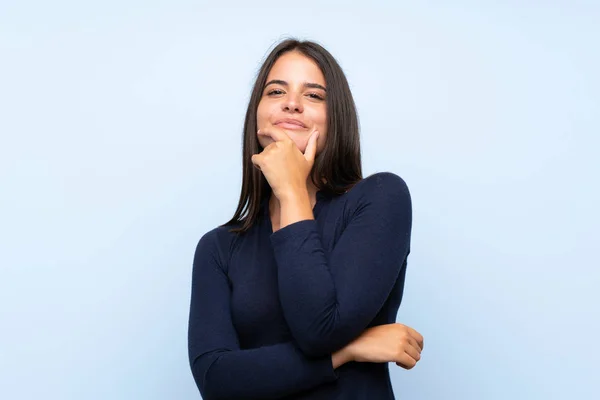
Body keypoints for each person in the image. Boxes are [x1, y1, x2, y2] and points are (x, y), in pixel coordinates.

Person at [187, 38, 424, 400]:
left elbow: (320, 329)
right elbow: (217, 381)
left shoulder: (379, 199)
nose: (292, 103)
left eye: (313, 95)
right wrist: (350, 350)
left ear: (336, 119)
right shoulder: (219, 247)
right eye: (276, 90)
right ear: (258, 113)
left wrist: (292, 191)